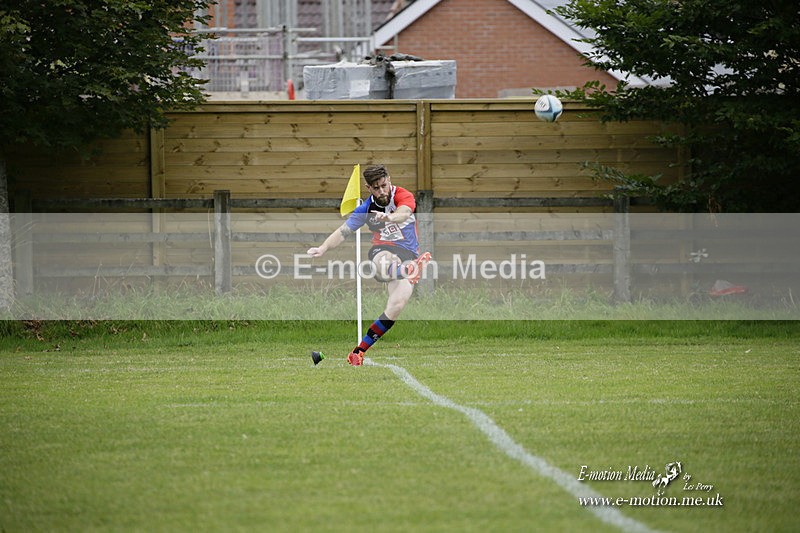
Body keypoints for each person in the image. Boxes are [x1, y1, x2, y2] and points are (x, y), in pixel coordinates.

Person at [307, 164, 431, 366]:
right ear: (368, 188)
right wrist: (323, 248)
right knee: (385, 262)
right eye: (376, 188)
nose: (381, 191)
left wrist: (389, 217)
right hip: (383, 250)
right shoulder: (366, 209)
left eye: (384, 185)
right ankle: (406, 270)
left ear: (389, 180)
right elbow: (343, 231)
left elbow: (404, 213)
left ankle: (358, 352)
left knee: (397, 305)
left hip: (408, 254)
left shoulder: (403, 195)